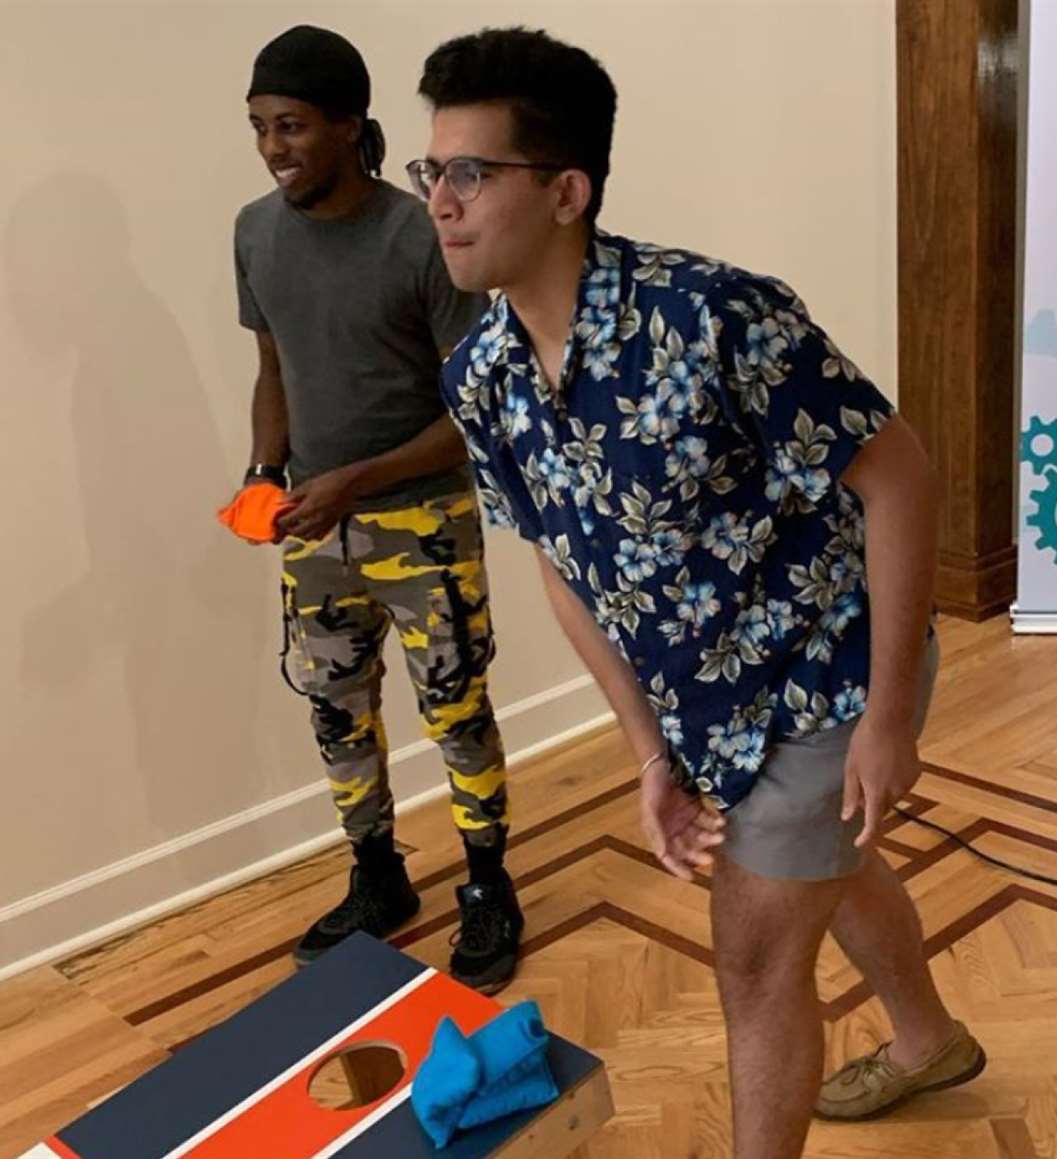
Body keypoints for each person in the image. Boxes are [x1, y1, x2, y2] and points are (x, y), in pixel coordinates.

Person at [408, 27, 987, 1156]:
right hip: (700, 703)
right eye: (432, 171)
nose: (442, 199)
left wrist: (882, 717)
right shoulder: (480, 374)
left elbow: (900, 474)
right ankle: (928, 1043)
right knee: (830, 869)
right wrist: (648, 751)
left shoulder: (714, 316)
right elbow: (563, 560)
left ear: (566, 190)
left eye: (472, 171)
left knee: (756, 952)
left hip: (827, 667)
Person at [228, 25, 522, 992]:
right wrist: (267, 472)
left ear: (351, 126)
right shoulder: (254, 232)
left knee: (456, 707)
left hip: (423, 521)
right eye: (262, 127)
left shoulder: (421, 238)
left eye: (294, 126)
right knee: (335, 711)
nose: (275, 148)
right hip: (312, 530)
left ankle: (486, 884)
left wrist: (356, 479)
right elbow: (272, 368)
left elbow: (474, 411)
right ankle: (378, 875)